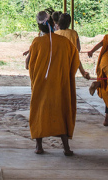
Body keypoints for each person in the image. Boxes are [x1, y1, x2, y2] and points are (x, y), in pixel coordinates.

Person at [26, 10, 79, 156]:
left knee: (39, 112)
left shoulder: (37, 42)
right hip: (59, 86)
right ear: (53, 24)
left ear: (39, 27)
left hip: (41, 85)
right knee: (60, 113)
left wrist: (35, 79)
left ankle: (39, 146)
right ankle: (66, 148)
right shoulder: (65, 42)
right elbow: (74, 61)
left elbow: (29, 65)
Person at [55, 13, 89, 80]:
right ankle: (84, 73)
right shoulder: (74, 33)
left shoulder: (55, 33)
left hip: (57, 62)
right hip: (71, 62)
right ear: (69, 23)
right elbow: (78, 49)